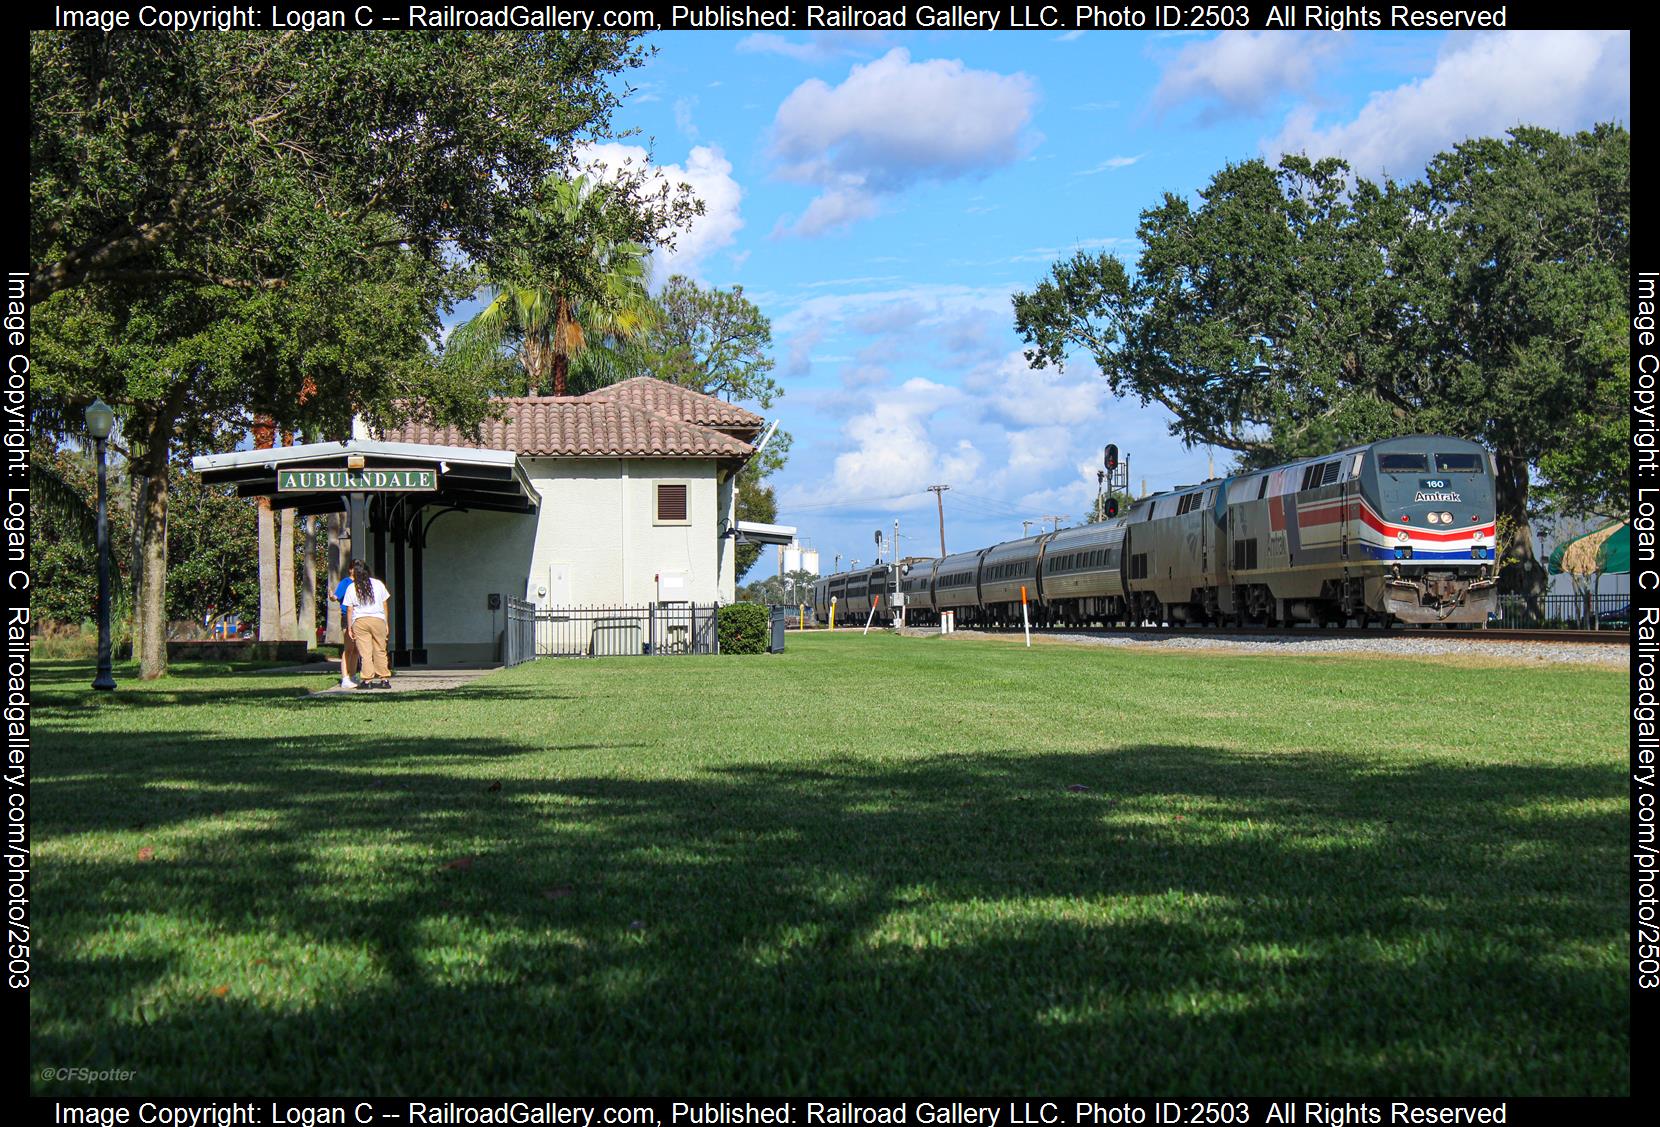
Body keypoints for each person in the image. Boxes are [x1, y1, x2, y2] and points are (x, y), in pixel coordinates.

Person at [344, 560, 393, 690]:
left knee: (365, 652)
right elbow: (384, 604)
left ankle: (367, 680)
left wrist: (349, 627)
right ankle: (384, 679)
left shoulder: (352, 587)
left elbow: (349, 609)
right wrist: (386, 622)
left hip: (360, 621)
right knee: (380, 649)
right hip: (378, 619)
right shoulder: (378, 584)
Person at [328, 560, 366, 689]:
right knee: (349, 648)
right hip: (347, 616)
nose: (355, 570)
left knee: (356, 649)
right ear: (350, 569)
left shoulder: (363, 583)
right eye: (353, 568)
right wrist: (332, 596)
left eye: (358, 568)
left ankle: (353, 674)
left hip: (360, 616)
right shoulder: (346, 582)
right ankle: (345, 677)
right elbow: (336, 597)